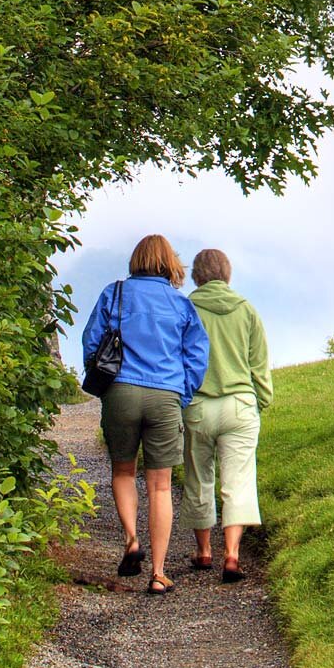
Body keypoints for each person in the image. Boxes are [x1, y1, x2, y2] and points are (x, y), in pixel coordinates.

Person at [81, 235, 208, 595]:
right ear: (170, 263)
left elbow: (92, 342)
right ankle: (158, 571)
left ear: (136, 260)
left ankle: (132, 539)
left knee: (123, 470)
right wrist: (181, 394)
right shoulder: (181, 305)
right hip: (165, 395)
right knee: (161, 485)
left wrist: (105, 384)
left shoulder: (114, 293)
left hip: (121, 391)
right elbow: (196, 356)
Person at [179, 248, 272, 583]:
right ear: (227, 273)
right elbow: (258, 363)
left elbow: (179, 358)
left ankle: (203, 551)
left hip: (199, 406)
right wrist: (261, 400)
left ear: (197, 276)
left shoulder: (187, 307)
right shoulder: (246, 310)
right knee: (239, 481)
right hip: (240, 404)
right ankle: (231, 555)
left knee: (199, 477)